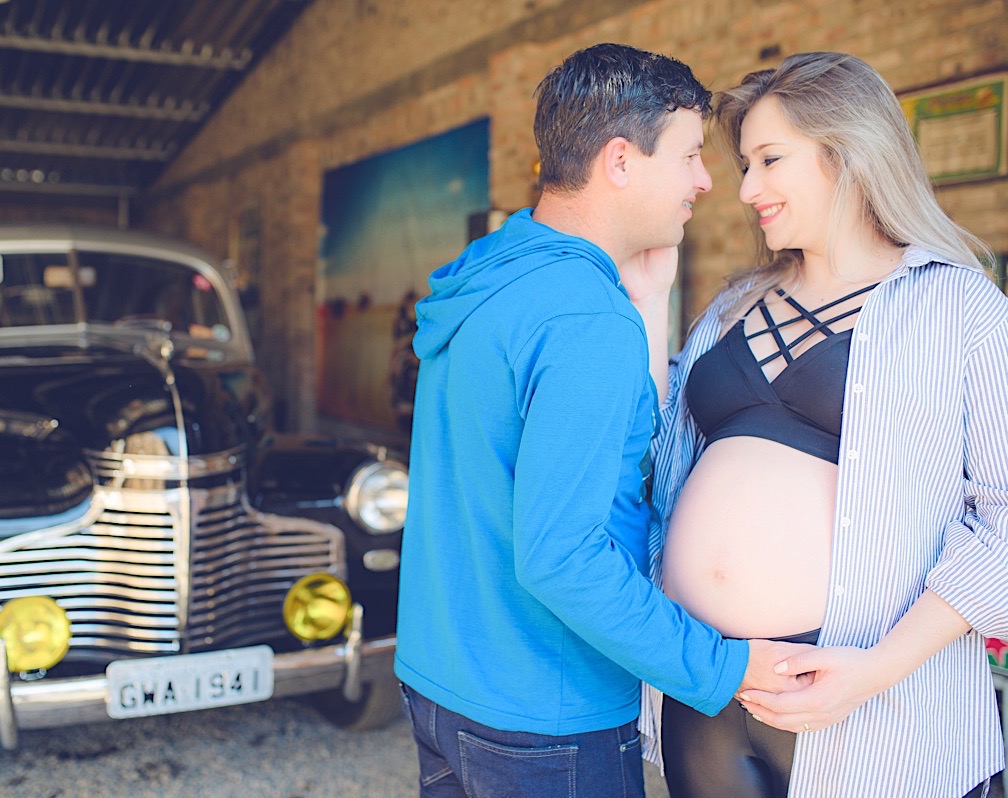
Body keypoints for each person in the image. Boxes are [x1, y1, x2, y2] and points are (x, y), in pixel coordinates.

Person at [394, 43, 811, 798]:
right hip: (543, 716)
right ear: (621, 161)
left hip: (442, 684)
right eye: (688, 155)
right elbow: (562, 556)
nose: (706, 180)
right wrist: (723, 666)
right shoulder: (584, 318)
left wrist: (645, 303)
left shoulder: (496, 274)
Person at [636, 51, 1008, 798]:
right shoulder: (732, 307)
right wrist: (648, 302)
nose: (746, 190)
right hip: (707, 682)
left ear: (849, 153)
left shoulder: (961, 308)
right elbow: (652, 460)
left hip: (876, 698)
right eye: (744, 164)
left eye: (770, 160)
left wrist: (874, 670)